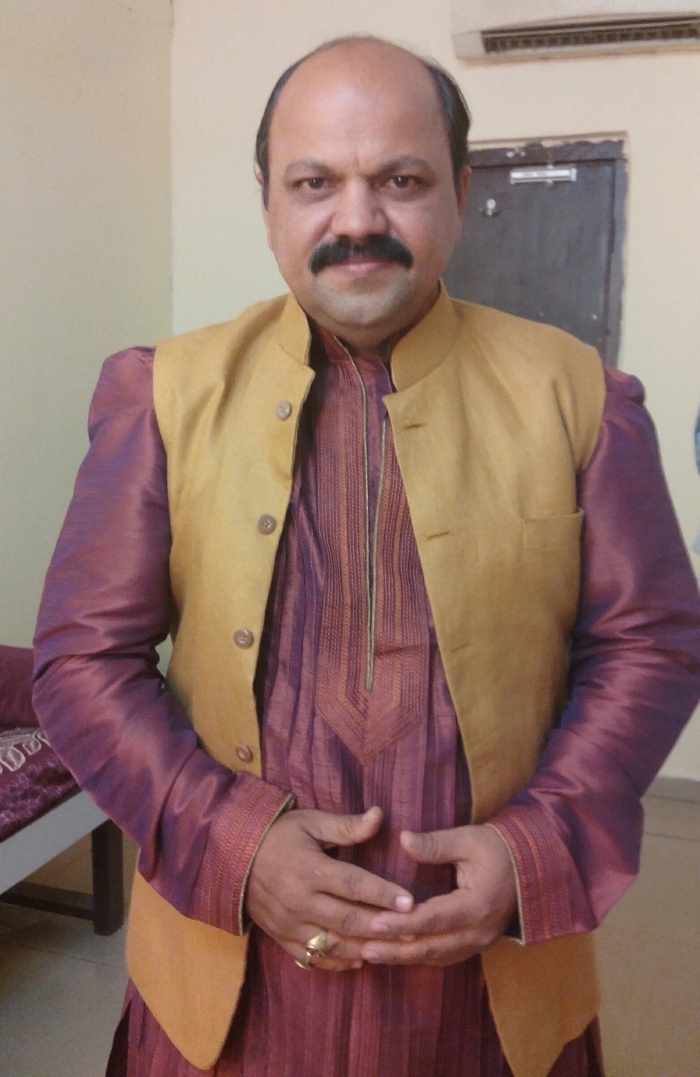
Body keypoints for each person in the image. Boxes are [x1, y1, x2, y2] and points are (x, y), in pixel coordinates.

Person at [33, 36, 700, 1077]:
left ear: (460, 194)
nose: (357, 221)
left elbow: (648, 646)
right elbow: (82, 661)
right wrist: (232, 844)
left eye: (401, 180)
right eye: (315, 183)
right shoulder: (162, 394)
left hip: (485, 989)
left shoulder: (579, 396)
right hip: (229, 984)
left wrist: (535, 850)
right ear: (267, 202)